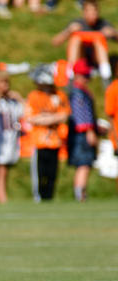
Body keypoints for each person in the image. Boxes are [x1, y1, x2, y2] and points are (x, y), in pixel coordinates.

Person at [26, 65, 71, 202]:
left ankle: (49, 198)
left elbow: (64, 115)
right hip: (39, 141)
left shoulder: (59, 95)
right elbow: (31, 118)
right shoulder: (34, 96)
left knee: (52, 173)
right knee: (40, 172)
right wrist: (51, 118)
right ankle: (39, 197)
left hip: (55, 140)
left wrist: (45, 118)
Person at [51, 0, 118, 86]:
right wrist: (68, 31)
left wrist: (114, 33)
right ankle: (71, 76)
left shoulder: (103, 24)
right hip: (81, 60)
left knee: (98, 40)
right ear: (84, 12)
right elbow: (55, 42)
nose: (92, 14)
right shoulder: (78, 24)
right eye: (89, 11)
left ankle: (106, 77)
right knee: (76, 39)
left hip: (96, 59)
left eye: (94, 11)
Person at [0, 71, 25, 204]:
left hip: (12, 137)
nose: (5, 85)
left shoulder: (12, 101)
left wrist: (19, 98)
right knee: (1, 167)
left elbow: (24, 111)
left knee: (7, 167)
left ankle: (3, 193)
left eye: (6, 82)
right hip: (0, 138)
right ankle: (1, 195)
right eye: (1, 82)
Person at [67, 59, 98, 202]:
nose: (88, 79)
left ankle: (81, 193)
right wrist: (89, 131)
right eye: (85, 75)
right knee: (84, 163)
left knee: (86, 164)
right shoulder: (78, 93)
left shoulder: (82, 92)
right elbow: (81, 115)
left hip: (84, 132)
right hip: (81, 134)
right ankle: (80, 194)